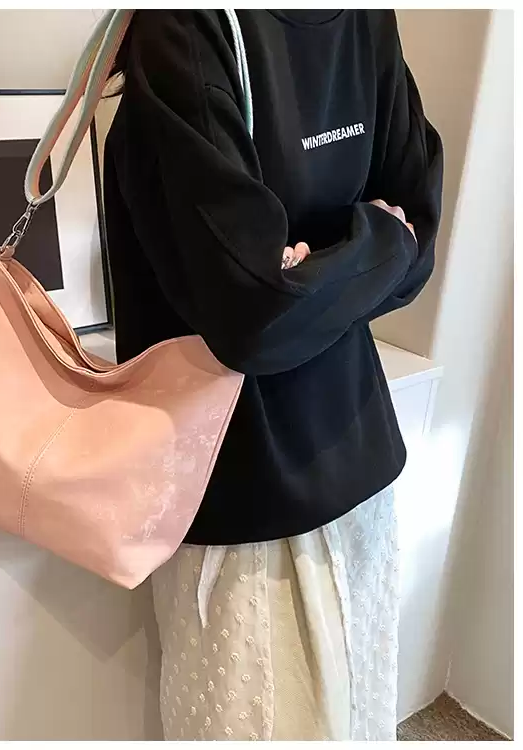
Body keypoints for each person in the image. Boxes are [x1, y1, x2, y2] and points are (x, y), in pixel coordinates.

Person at [102, 10, 443, 741]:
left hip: (357, 471)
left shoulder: (365, 20)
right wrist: (377, 237)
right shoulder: (188, 27)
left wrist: (317, 267)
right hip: (238, 497)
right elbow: (252, 314)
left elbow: (421, 234)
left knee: (358, 723)